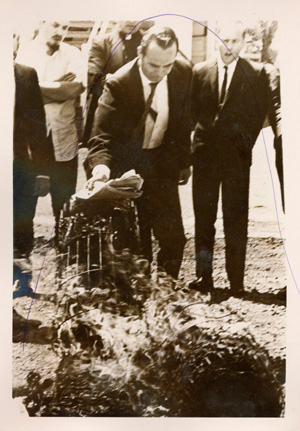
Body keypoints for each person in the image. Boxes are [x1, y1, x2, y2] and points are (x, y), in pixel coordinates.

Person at [84, 26, 192, 281]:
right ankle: (137, 296)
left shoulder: (183, 72)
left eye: (168, 65)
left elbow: (183, 119)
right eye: (154, 66)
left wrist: (183, 161)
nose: (161, 73)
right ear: (141, 54)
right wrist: (101, 169)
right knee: (135, 244)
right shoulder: (119, 82)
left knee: (173, 237)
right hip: (127, 168)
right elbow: (101, 137)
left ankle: (165, 293)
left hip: (161, 163)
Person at [190, 21, 268, 296]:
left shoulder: (255, 73)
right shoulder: (199, 72)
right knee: (204, 219)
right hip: (205, 159)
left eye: (234, 41)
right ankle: (204, 277)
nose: (228, 47)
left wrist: (244, 144)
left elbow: (258, 115)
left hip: (236, 159)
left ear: (244, 42)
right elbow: (192, 111)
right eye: (223, 40)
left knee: (235, 220)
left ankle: (236, 282)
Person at [16, 21, 85, 228]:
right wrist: (57, 87)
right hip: (28, 142)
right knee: (24, 205)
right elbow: (15, 91)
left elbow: (72, 90)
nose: (60, 32)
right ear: (41, 21)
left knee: (64, 205)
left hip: (62, 139)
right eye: (55, 25)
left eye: (65, 27)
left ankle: (64, 253)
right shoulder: (23, 52)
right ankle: (21, 255)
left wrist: (31, 87)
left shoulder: (73, 54)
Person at [13, 33, 50, 295]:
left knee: (23, 225)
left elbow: (38, 128)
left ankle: (22, 284)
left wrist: (42, 171)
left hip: (21, 166)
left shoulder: (26, 75)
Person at [83, 21, 150, 145]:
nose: (132, 20)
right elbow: (94, 79)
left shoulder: (149, 42)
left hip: (140, 113)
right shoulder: (102, 42)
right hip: (109, 111)